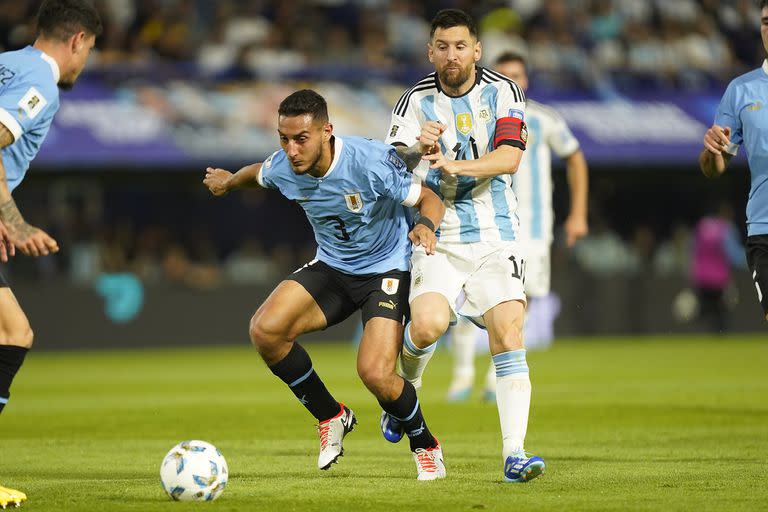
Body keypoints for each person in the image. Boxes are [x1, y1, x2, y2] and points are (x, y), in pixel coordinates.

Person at [203, 89, 448, 480]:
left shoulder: (369, 163)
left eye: (301, 139)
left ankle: (425, 444)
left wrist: (425, 225)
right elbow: (259, 174)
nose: (291, 149)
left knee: (375, 374)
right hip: (333, 267)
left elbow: (429, 197)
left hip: (385, 271)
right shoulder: (285, 166)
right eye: (283, 139)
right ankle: (332, 415)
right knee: (265, 330)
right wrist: (230, 181)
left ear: (327, 131)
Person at [381, 9, 544, 483]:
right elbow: (389, 163)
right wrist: (414, 148)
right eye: (442, 47)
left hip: (497, 234)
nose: (451, 56)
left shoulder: (504, 91)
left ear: (476, 50)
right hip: (439, 232)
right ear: (430, 51)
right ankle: (403, 393)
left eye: (460, 46)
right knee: (428, 326)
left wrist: (453, 167)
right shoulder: (413, 100)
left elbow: (510, 158)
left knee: (509, 335)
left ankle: (515, 454)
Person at [0, 1, 101, 508]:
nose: (85, 64)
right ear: (78, 40)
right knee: (11, 333)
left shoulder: (8, 63)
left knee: (12, 331)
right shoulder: (40, 83)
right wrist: (14, 222)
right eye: (90, 51)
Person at [447, 51, 589, 402]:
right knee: (470, 296)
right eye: (505, 74)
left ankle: (496, 380)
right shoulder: (475, 117)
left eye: (518, 75)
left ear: (526, 80)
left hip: (532, 229)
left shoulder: (543, 119)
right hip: (485, 222)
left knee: (517, 302)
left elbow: (575, 156)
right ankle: (462, 376)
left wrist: (578, 213)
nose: (512, 81)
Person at [700, 0, 768, 322]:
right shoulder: (741, 90)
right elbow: (715, 166)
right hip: (765, 226)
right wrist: (712, 151)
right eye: (766, 22)